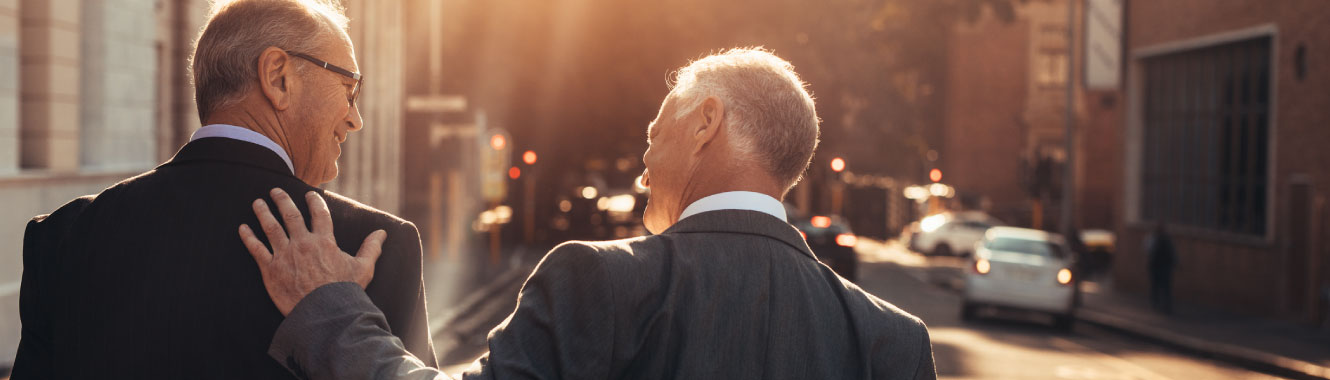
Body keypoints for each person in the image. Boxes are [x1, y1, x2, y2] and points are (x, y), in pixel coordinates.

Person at [242, 48, 937, 380]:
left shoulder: (595, 282)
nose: (644, 159)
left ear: (706, 124)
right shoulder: (891, 343)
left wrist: (331, 307)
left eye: (656, 129)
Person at [12, 0, 435, 378]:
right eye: (349, 88)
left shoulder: (64, 234)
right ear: (278, 77)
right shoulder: (371, 246)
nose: (355, 118)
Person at [1146, 222, 1177, 314]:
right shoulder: (1159, 239)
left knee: (1159, 286)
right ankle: (1162, 304)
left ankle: (1159, 304)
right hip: (1160, 266)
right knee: (1162, 287)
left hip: (1159, 266)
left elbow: (1148, 250)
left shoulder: (1157, 239)